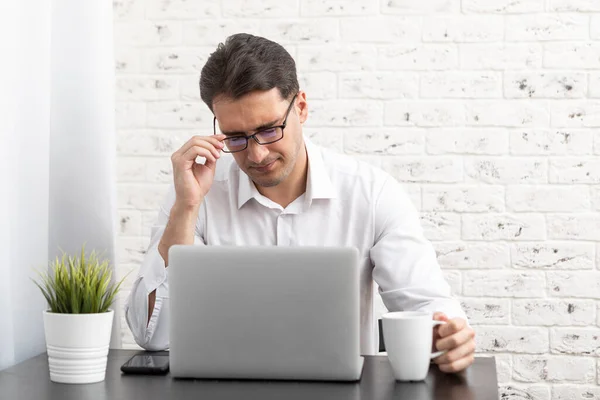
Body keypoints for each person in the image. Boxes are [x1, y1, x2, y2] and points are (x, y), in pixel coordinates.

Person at [125, 33, 475, 373]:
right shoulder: (195, 193)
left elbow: (425, 304)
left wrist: (448, 334)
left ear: (302, 108)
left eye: (268, 129)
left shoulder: (371, 193)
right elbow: (153, 337)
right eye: (236, 137)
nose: (256, 153)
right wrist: (185, 208)